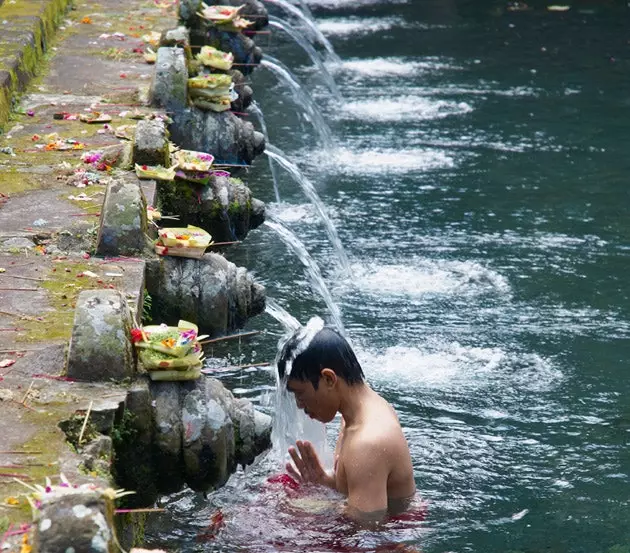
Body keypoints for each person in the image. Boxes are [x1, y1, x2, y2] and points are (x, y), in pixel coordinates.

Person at [276, 318, 416, 523]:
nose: (299, 404)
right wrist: (327, 482)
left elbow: (366, 526)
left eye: (300, 393)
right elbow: (362, 488)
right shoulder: (356, 415)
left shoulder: (369, 442)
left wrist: (312, 508)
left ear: (329, 380)